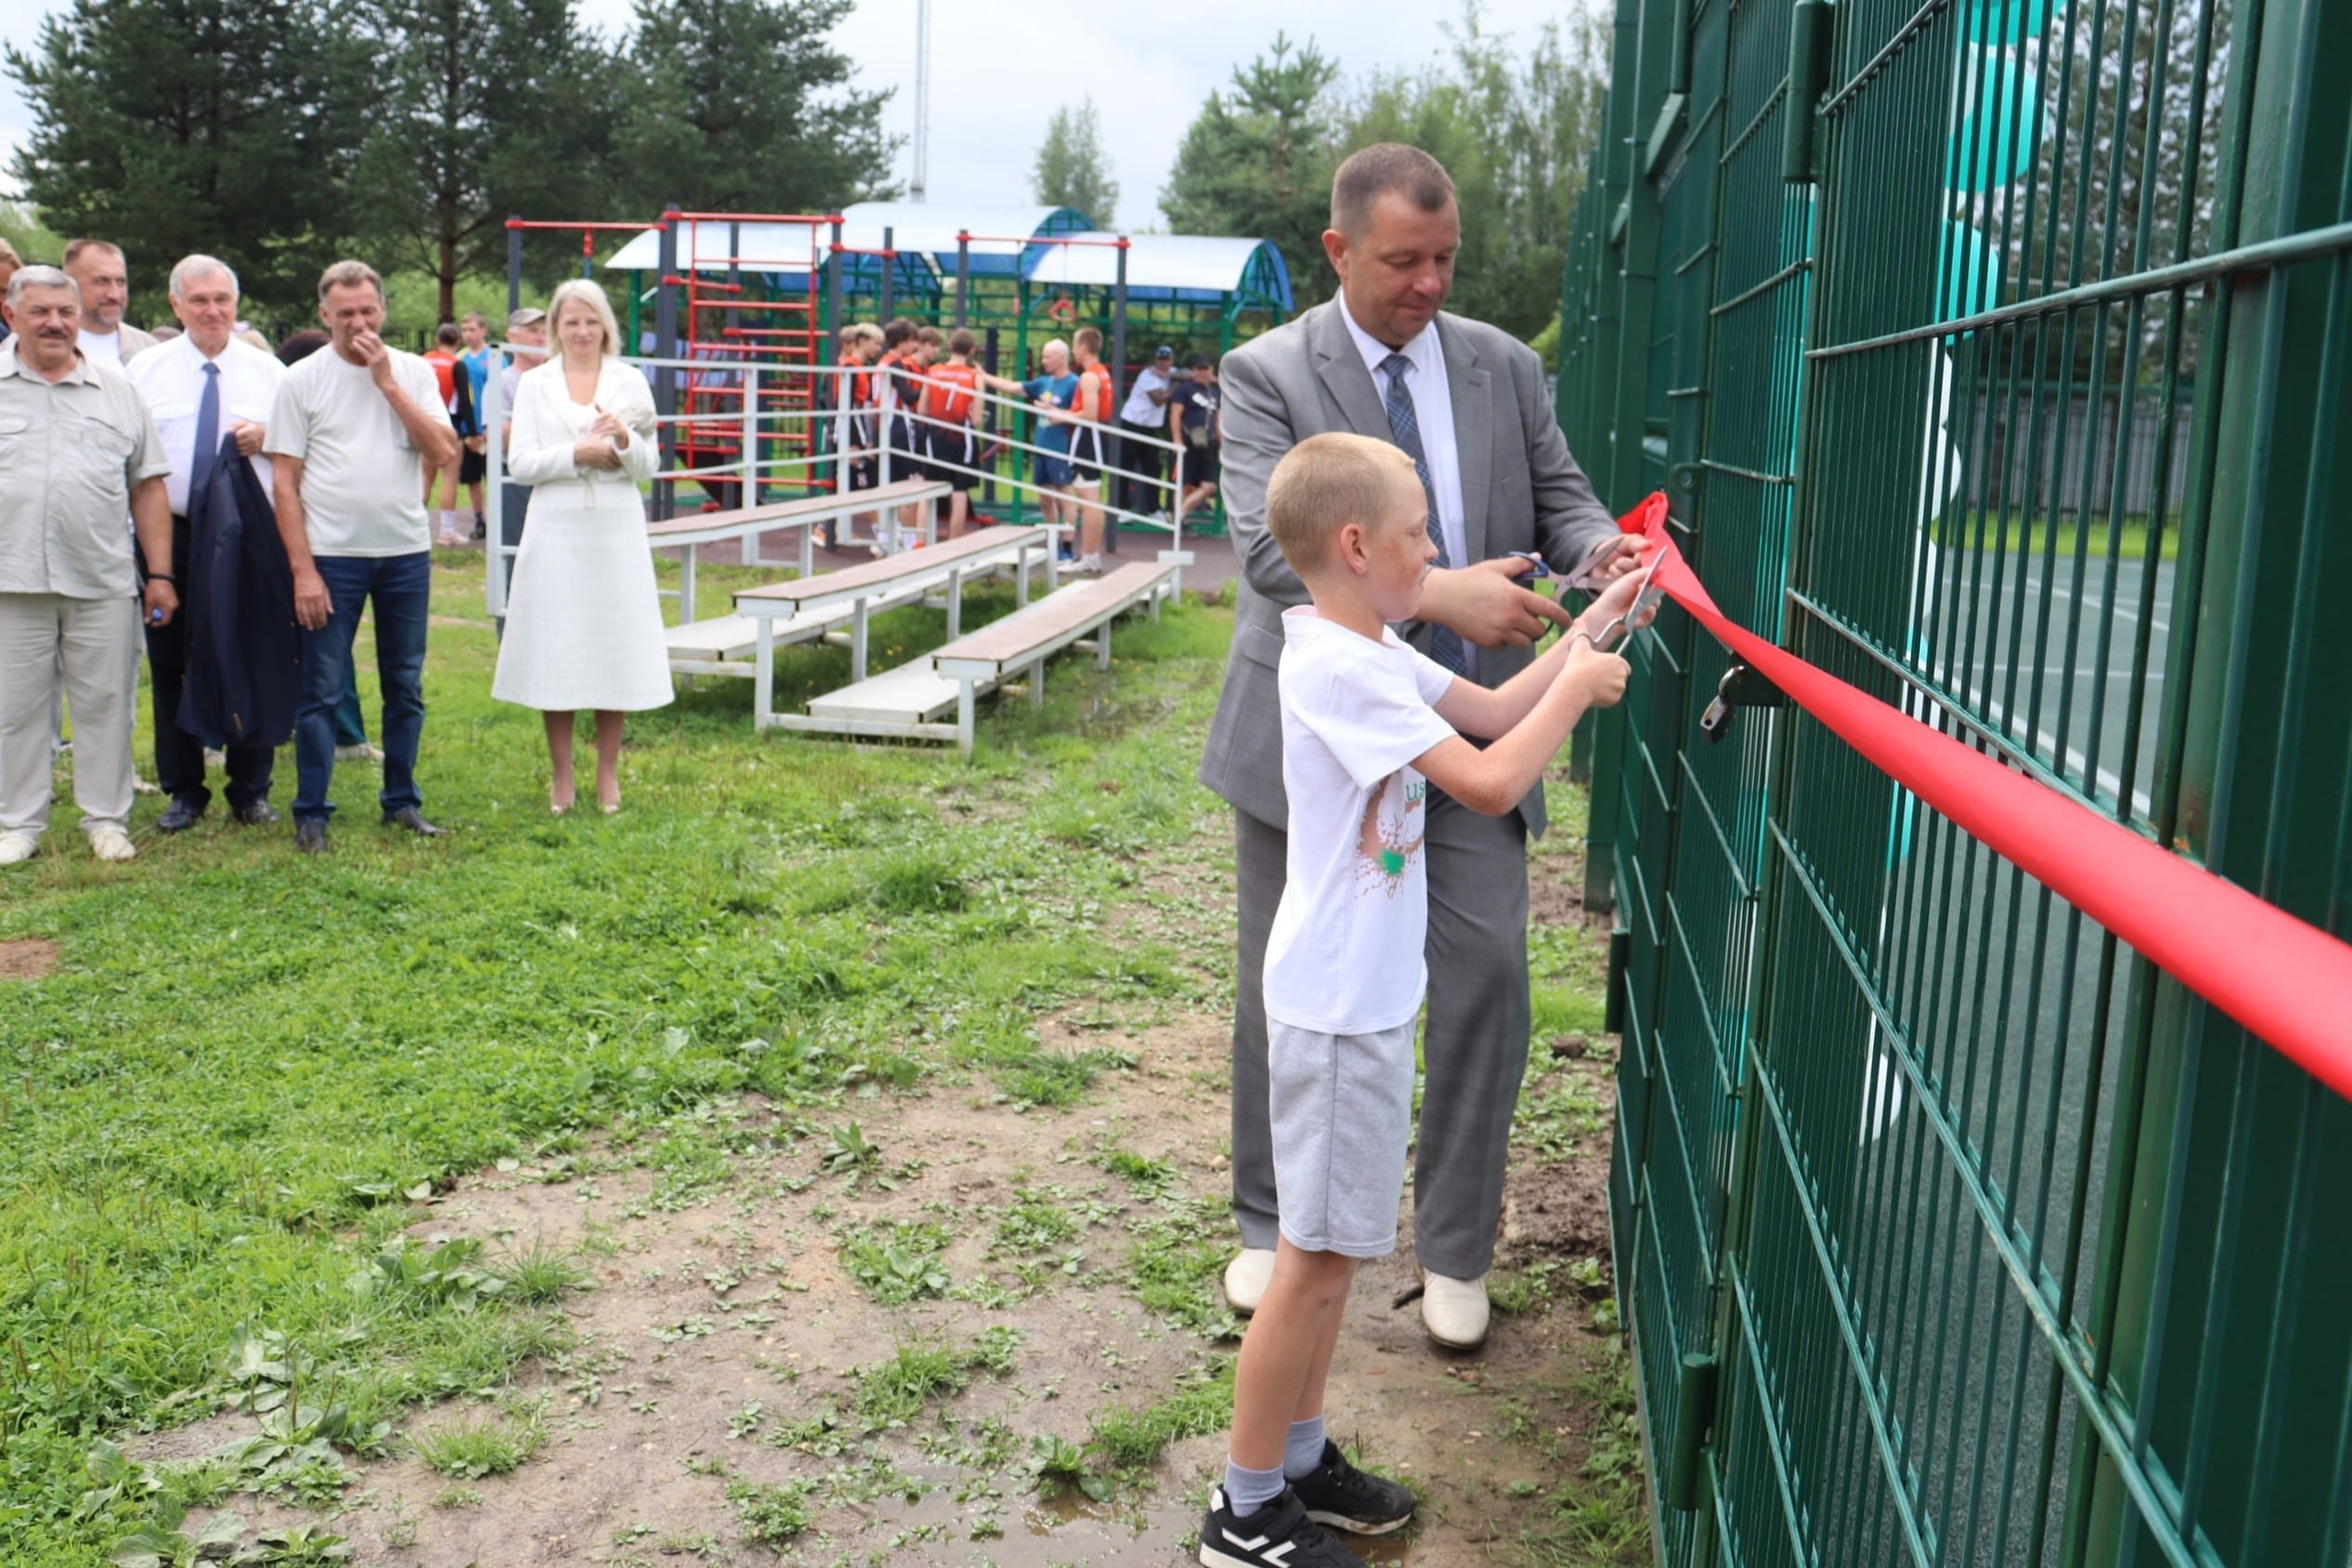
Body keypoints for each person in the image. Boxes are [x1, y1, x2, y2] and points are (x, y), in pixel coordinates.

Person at [1201, 143, 1648, 1351]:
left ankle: (1453, 1248)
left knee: (1489, 979)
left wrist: (1601, 554)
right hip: (1326, 742)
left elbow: (1562, 499)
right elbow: (1261, 551)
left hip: (1466, 712)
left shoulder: (1503, 366)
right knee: (1281, 982)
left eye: (1445, 259)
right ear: (1340, 250)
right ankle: (1268, 1223)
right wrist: (1441, 595)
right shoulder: (1265, 372)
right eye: (1404, 261)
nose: (1430, 284)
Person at [1195, 433, 1639, 1568]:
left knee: (1336, 1248)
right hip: (1338, 1013)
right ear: (1354, 545)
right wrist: (1583, 695)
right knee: (1312, 1262)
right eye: (1417, 536)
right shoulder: (1337, 668)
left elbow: (1491, 714)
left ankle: (1296, 1462)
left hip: (1365, 1002)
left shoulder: (1372, 644)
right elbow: (1492, 778)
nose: (1436, 552)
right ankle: (1243, 1514)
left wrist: (1599, 623)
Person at [266, 259, 457, 853]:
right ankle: (312, 811)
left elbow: (445, 451)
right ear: (324, 316)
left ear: (383, 312)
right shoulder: (301, 380)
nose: (357, 323)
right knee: (319, 689)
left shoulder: (412, 373)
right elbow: (284, 484)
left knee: (405, 684)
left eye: (367, 311)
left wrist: (389, 384)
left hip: (403, 553)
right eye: (344, 314)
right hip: (331, 559)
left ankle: (401, 801)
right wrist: (303, 571)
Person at [0, 266, 176, 865]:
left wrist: (160, 573)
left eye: (65, 312)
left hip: (101, 579)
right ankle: (19, 823)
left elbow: (148, 487)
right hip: (10, 579)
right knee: (15, 707)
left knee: (107, 703)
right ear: (11, 315)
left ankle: (106, 819)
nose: (55, 323)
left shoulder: (118, 390)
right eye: (40, 312)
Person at [491, 279, 670, 814]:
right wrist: (577, 453)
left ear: (606, 327)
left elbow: (650, 467)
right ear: (555, 329)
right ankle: (562, 774)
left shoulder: (631, 380)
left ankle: (609, 772)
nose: (582, 331)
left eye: (591, 321)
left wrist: (622, 440)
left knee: (612, 644)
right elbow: (520, 463)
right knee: (558, 647)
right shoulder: (535, 385)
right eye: (571, 322)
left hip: (615, 528)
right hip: (557, 528)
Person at [127, 254, 288, 831]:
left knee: (250, 650)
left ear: (236, 303)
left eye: (222, 299)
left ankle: (250, 788)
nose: (212, 311)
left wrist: (269, 436)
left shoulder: (270, 373)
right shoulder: (144, 372)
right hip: (169, 536)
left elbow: (300, 451)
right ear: (176, 305)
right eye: (199, 301)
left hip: (247, 536)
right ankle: (184, 790)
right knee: (171, 661)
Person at [916, 327, 1027, 539]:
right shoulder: (974, 376)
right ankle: (954, 543)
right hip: (961, 440)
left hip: (935, 437)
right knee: (959, 493)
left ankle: (921, 541)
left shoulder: (933, 371)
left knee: (927, 490)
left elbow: (921, 410)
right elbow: (976, 418)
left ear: (949, 346)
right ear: (972, 350)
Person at [1062, 327, 1115, 572]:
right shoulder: (1101, 373)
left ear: (1083, 347)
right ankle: (1090, 556)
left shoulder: (1089, 376)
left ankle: (1089, 557)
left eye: (1074, 345)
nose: (1073, 350)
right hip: (1093, 438)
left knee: (1089, 499)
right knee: (1090, 498)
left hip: (1086, 439)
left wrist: (1061, 417)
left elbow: (1090, 414)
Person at [62, 240, 159, 369]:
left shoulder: (149, 349)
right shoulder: (49, 346)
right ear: (70, 285)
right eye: (101, 281)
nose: (115, 294)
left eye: (120, 282)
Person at [1021, 339, 1081, 548]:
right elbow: (1014, 387)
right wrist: (983, 377)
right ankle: (1052, 542)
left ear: (1061, 358)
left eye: (1047, 356)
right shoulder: (1043, 382)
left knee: (1065, 497)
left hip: (1060, 449)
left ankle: (1066, 545)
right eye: (1043, 356)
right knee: (1044, 498)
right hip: (1041, 447)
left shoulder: (1074, 383)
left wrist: (1057, 413)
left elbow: (1081, 414)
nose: (1043, 360)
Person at [423, 321, 478, 546]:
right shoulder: (457, 364)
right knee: (449, 478)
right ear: (457, 342)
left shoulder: (423, 361)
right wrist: (472, 432)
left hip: (424, 426)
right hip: (449, 427)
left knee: (425, 478)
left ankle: (416, 530)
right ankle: (446, 532)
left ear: (437, 341)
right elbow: (465, 402)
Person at [1115, 343, 1178, 517]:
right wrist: (1175, 383)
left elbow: (1188, 373)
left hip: (1149, 429)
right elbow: (1159, 400)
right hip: (1131, 424)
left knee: (1154, 468)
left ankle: (1153, 509)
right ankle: (1122, 508)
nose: (1163, 363)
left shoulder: (1171, 372)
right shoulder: (1147, 375)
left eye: (1167, 359)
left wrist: (1169, 375)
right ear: (1155, 360)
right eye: (1161, 359)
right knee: (1124, 467)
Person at [1169, 353, 1222, 526]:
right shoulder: (1185, 388)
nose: (1202, 373)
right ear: (1193, 371)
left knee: (1209, 486)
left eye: (1205, 369)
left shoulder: (1214, 392)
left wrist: (1221, 443)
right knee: (1183, 482)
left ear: (1211, 370)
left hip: (1207, 442)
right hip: (1187, 440)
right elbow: (1175, 414)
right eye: (1199, 369)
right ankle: (1179, 521)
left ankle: (1179, 515)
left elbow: (1218, 420)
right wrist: (1177, 440)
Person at [457, 313, 494, 539]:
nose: (468, 334)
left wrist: (488, 427)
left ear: (483, 330)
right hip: (467, 429)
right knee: (472, 478)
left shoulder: (494, 357)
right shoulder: (460, 357)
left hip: (488, 428)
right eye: (464, 330)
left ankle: (497, 519)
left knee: (492, 476)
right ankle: (478, 519)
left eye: (472, 329)